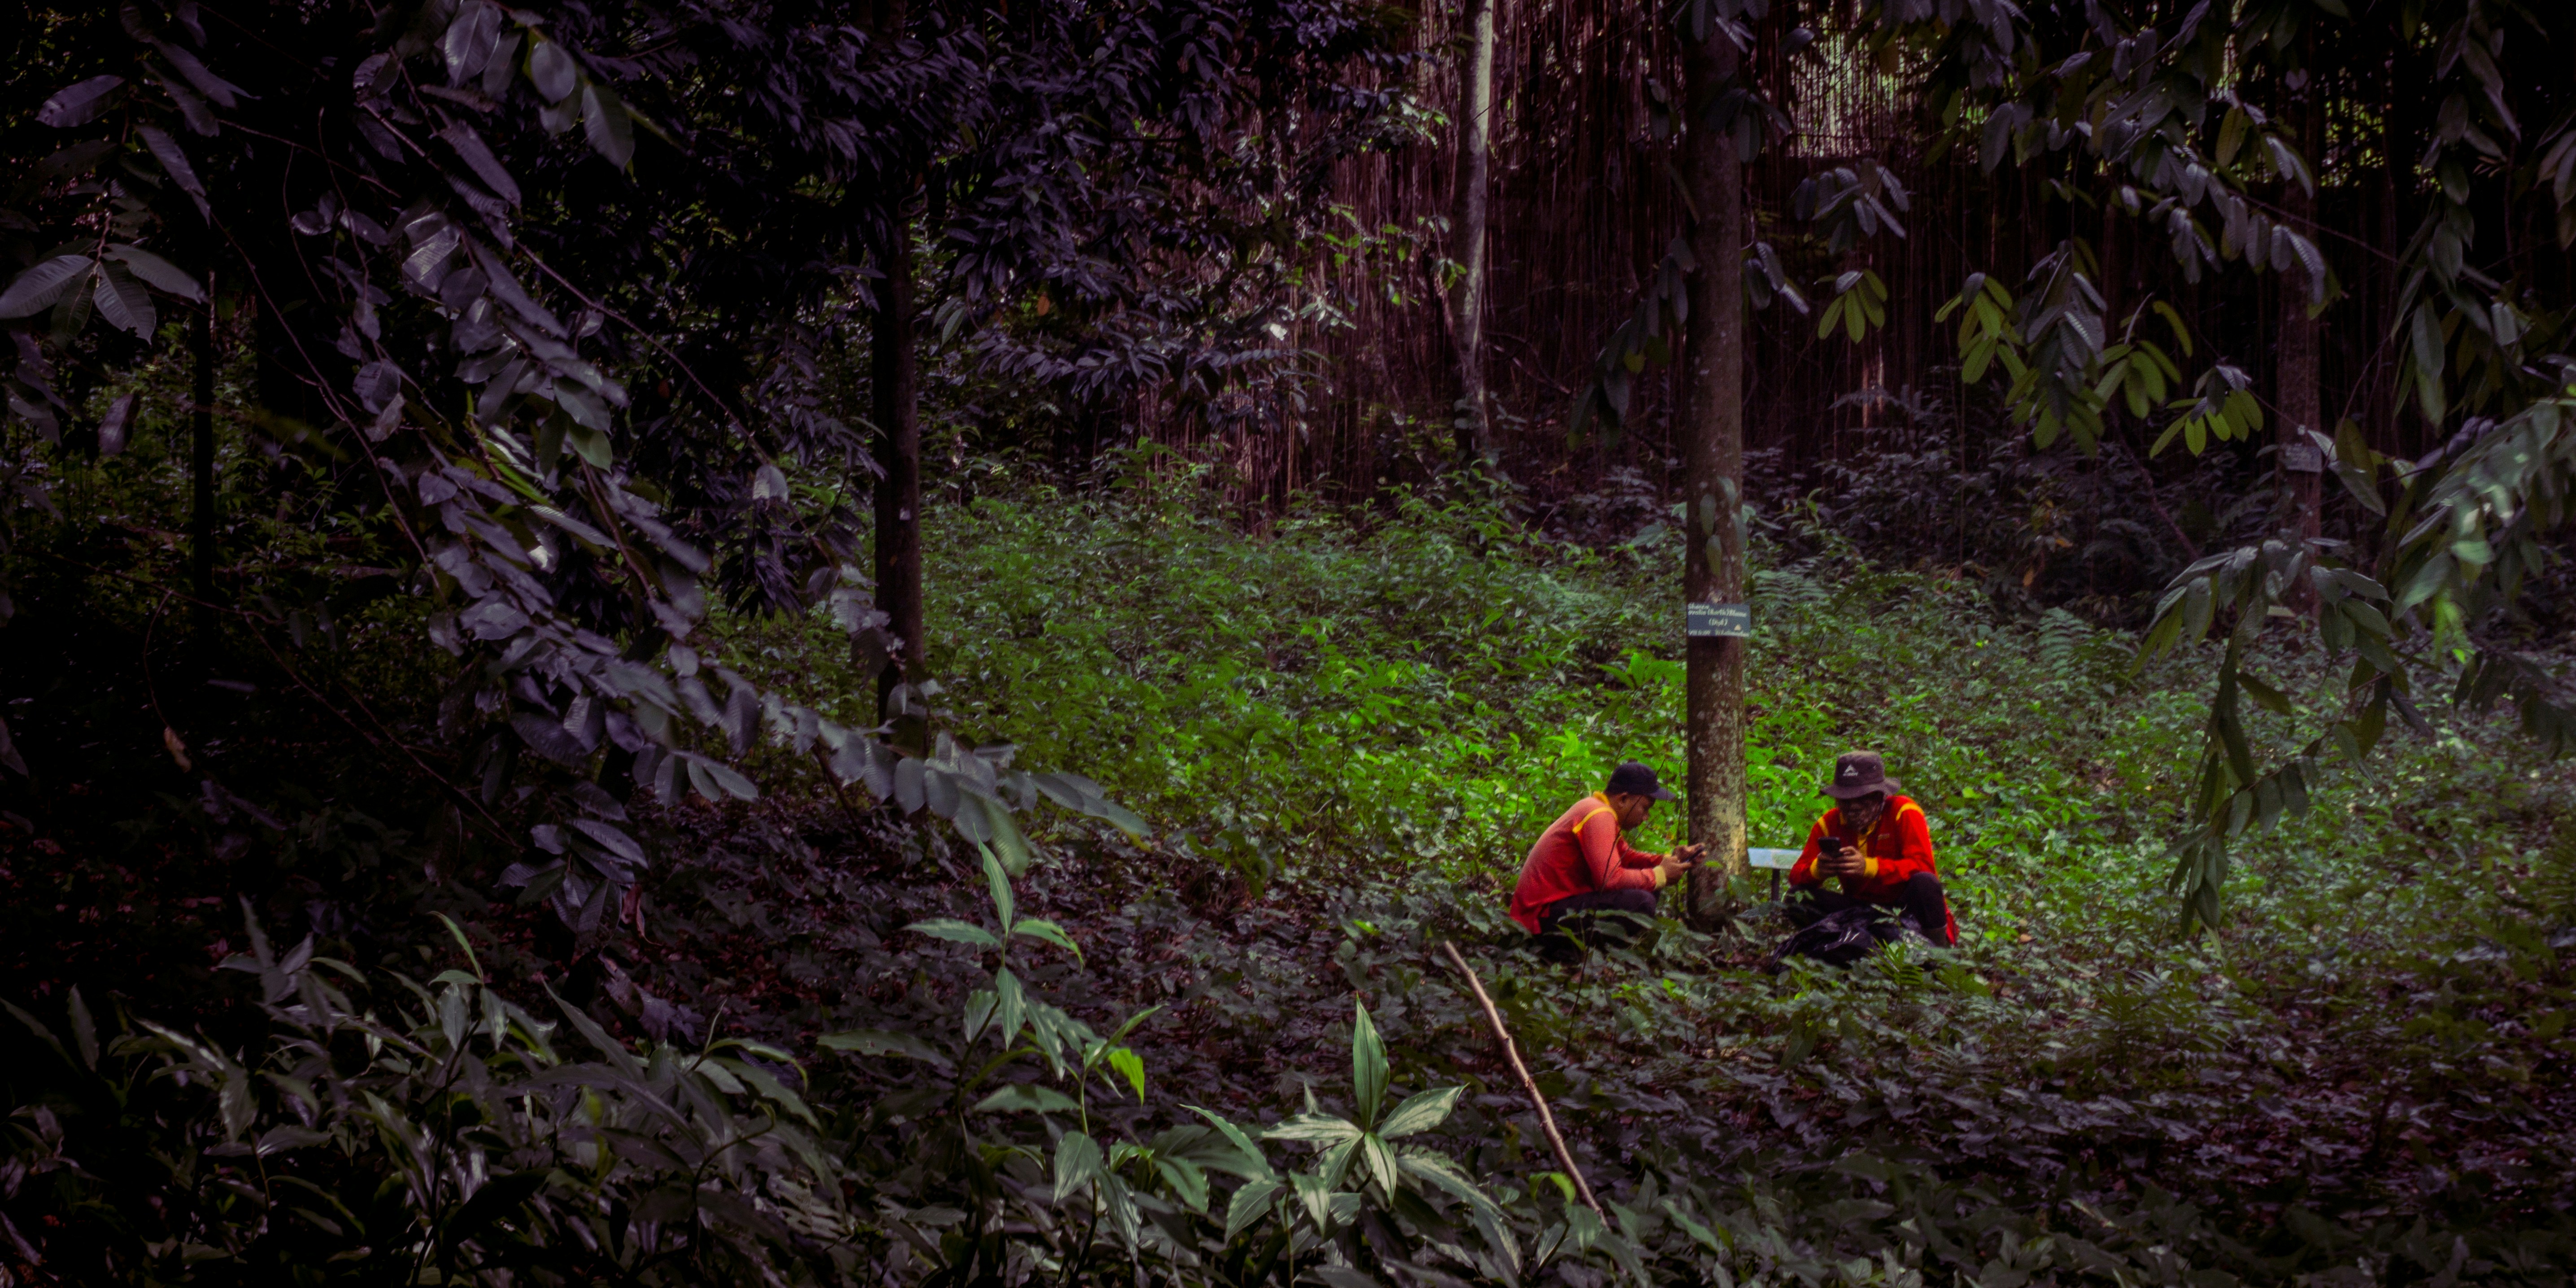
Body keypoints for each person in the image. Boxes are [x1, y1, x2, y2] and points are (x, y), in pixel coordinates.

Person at [1509, 761, 1703, 955]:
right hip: (1539, 919)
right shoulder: (1599, 815)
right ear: (1624, 799)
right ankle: (1582, 958)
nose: (1646, 817)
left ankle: (1593, 955)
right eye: (1645, 808)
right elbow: (1610, 879)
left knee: (1648, 889)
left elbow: (1627, 857)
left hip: (1551, 912)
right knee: (1641, 901)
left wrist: (1669, 860)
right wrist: (1659, 874)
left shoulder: (1598, 810)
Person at [1786, 750, 1957, 946]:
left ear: (1879, 796)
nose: (1853, 807)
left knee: (1925, 882)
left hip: (1905, 910)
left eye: (1861, 798)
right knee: (1796, 899)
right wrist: (1818, 870)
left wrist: (1869, 867)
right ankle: (1857, 943)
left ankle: (1937, 956)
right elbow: (1796, 876)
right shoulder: (1829, 823)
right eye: (1846, 799)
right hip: (1860, 911)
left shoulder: (1904, 812)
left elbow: (1923, 867)